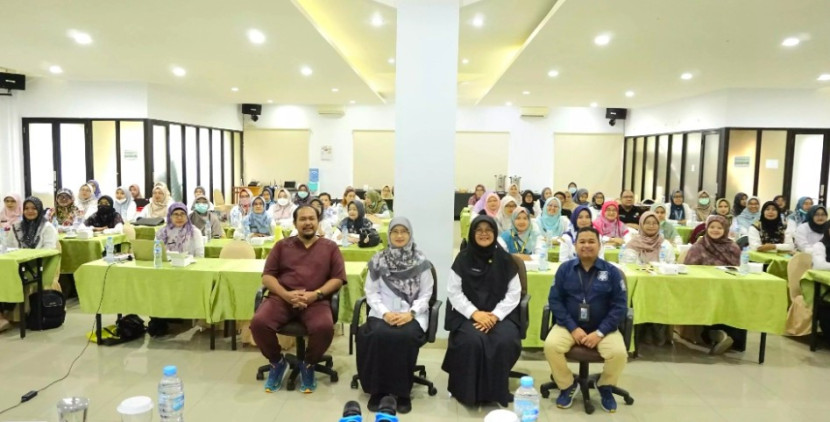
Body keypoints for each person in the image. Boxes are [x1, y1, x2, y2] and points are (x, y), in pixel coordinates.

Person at [251, 205, 347, 394]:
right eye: (302, 219)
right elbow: (267, 277)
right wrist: (285, 295)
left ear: (318, 221)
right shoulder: (282, 246)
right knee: (259, 323)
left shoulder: (330, 247)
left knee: (324, 327)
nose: (308, 223)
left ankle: (309, 364)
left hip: (316, 300)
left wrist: (316, 294)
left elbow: (338, 279)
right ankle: (277, 363)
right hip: (282, 299)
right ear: (295, 223)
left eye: (312, 218)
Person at [545, 226, 628, 413]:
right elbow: (555, 301)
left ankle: (605, 386)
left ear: (599, 245)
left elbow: (620, 306)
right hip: (569, 326)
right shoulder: (565, 270)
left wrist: (599, 333)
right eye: (582, 241)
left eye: (591, 241)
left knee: (619, 353)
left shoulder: (612, 272)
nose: (587, 245)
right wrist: (573, 328)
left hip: (603, 329)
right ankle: (567, 385)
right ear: (575, 245)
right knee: (551, 346)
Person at [442, 215, 521, 407]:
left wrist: (495, 316)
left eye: (489, 230)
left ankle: (497, 391)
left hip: (499, 316)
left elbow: (514, 293)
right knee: (472, 340)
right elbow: (454, 291)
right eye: (479, 230)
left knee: (504, 340)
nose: (484, 234)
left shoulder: (506, 259)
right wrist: (474, 313)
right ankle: (467, 392)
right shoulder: (462, 258)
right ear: (472, 233)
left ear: (495, 233)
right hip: (468, 315)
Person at [356, 217, 432, 414]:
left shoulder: (421, 261)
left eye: (403, 231)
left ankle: (402, 393)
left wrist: (411, 314)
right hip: (383, 312)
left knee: (404, 337)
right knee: (377, 335)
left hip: (412, 313)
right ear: (388, 235)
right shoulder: (378, 259)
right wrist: (385, 313)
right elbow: (371, 292)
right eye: (395, 232)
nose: (399, 235)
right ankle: (377, 391)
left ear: (410, 234)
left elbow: (426, 294)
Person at [682, 215, 743, 354]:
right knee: (714, 301)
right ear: (706, 228)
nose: (715, 230)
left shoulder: (733, 247)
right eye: (712, 227)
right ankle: (715, 335)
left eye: (720, 227)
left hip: (727, 289)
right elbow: (688, 270)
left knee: (737, 301)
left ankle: (726, 337)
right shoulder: (698, 246)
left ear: (726, 229)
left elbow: (737, 270)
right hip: (703, 290)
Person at [2, 197, 59, 333]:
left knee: (10, 278)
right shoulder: (16, 227)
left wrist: (28, 256)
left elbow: (49, 250)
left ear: (39, 210)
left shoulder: (47, 227)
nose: (30, 211)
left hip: (37, 266)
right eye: (27, 208)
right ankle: (3, 316)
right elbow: (9, 247)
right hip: (17, 263)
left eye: (34, 208)